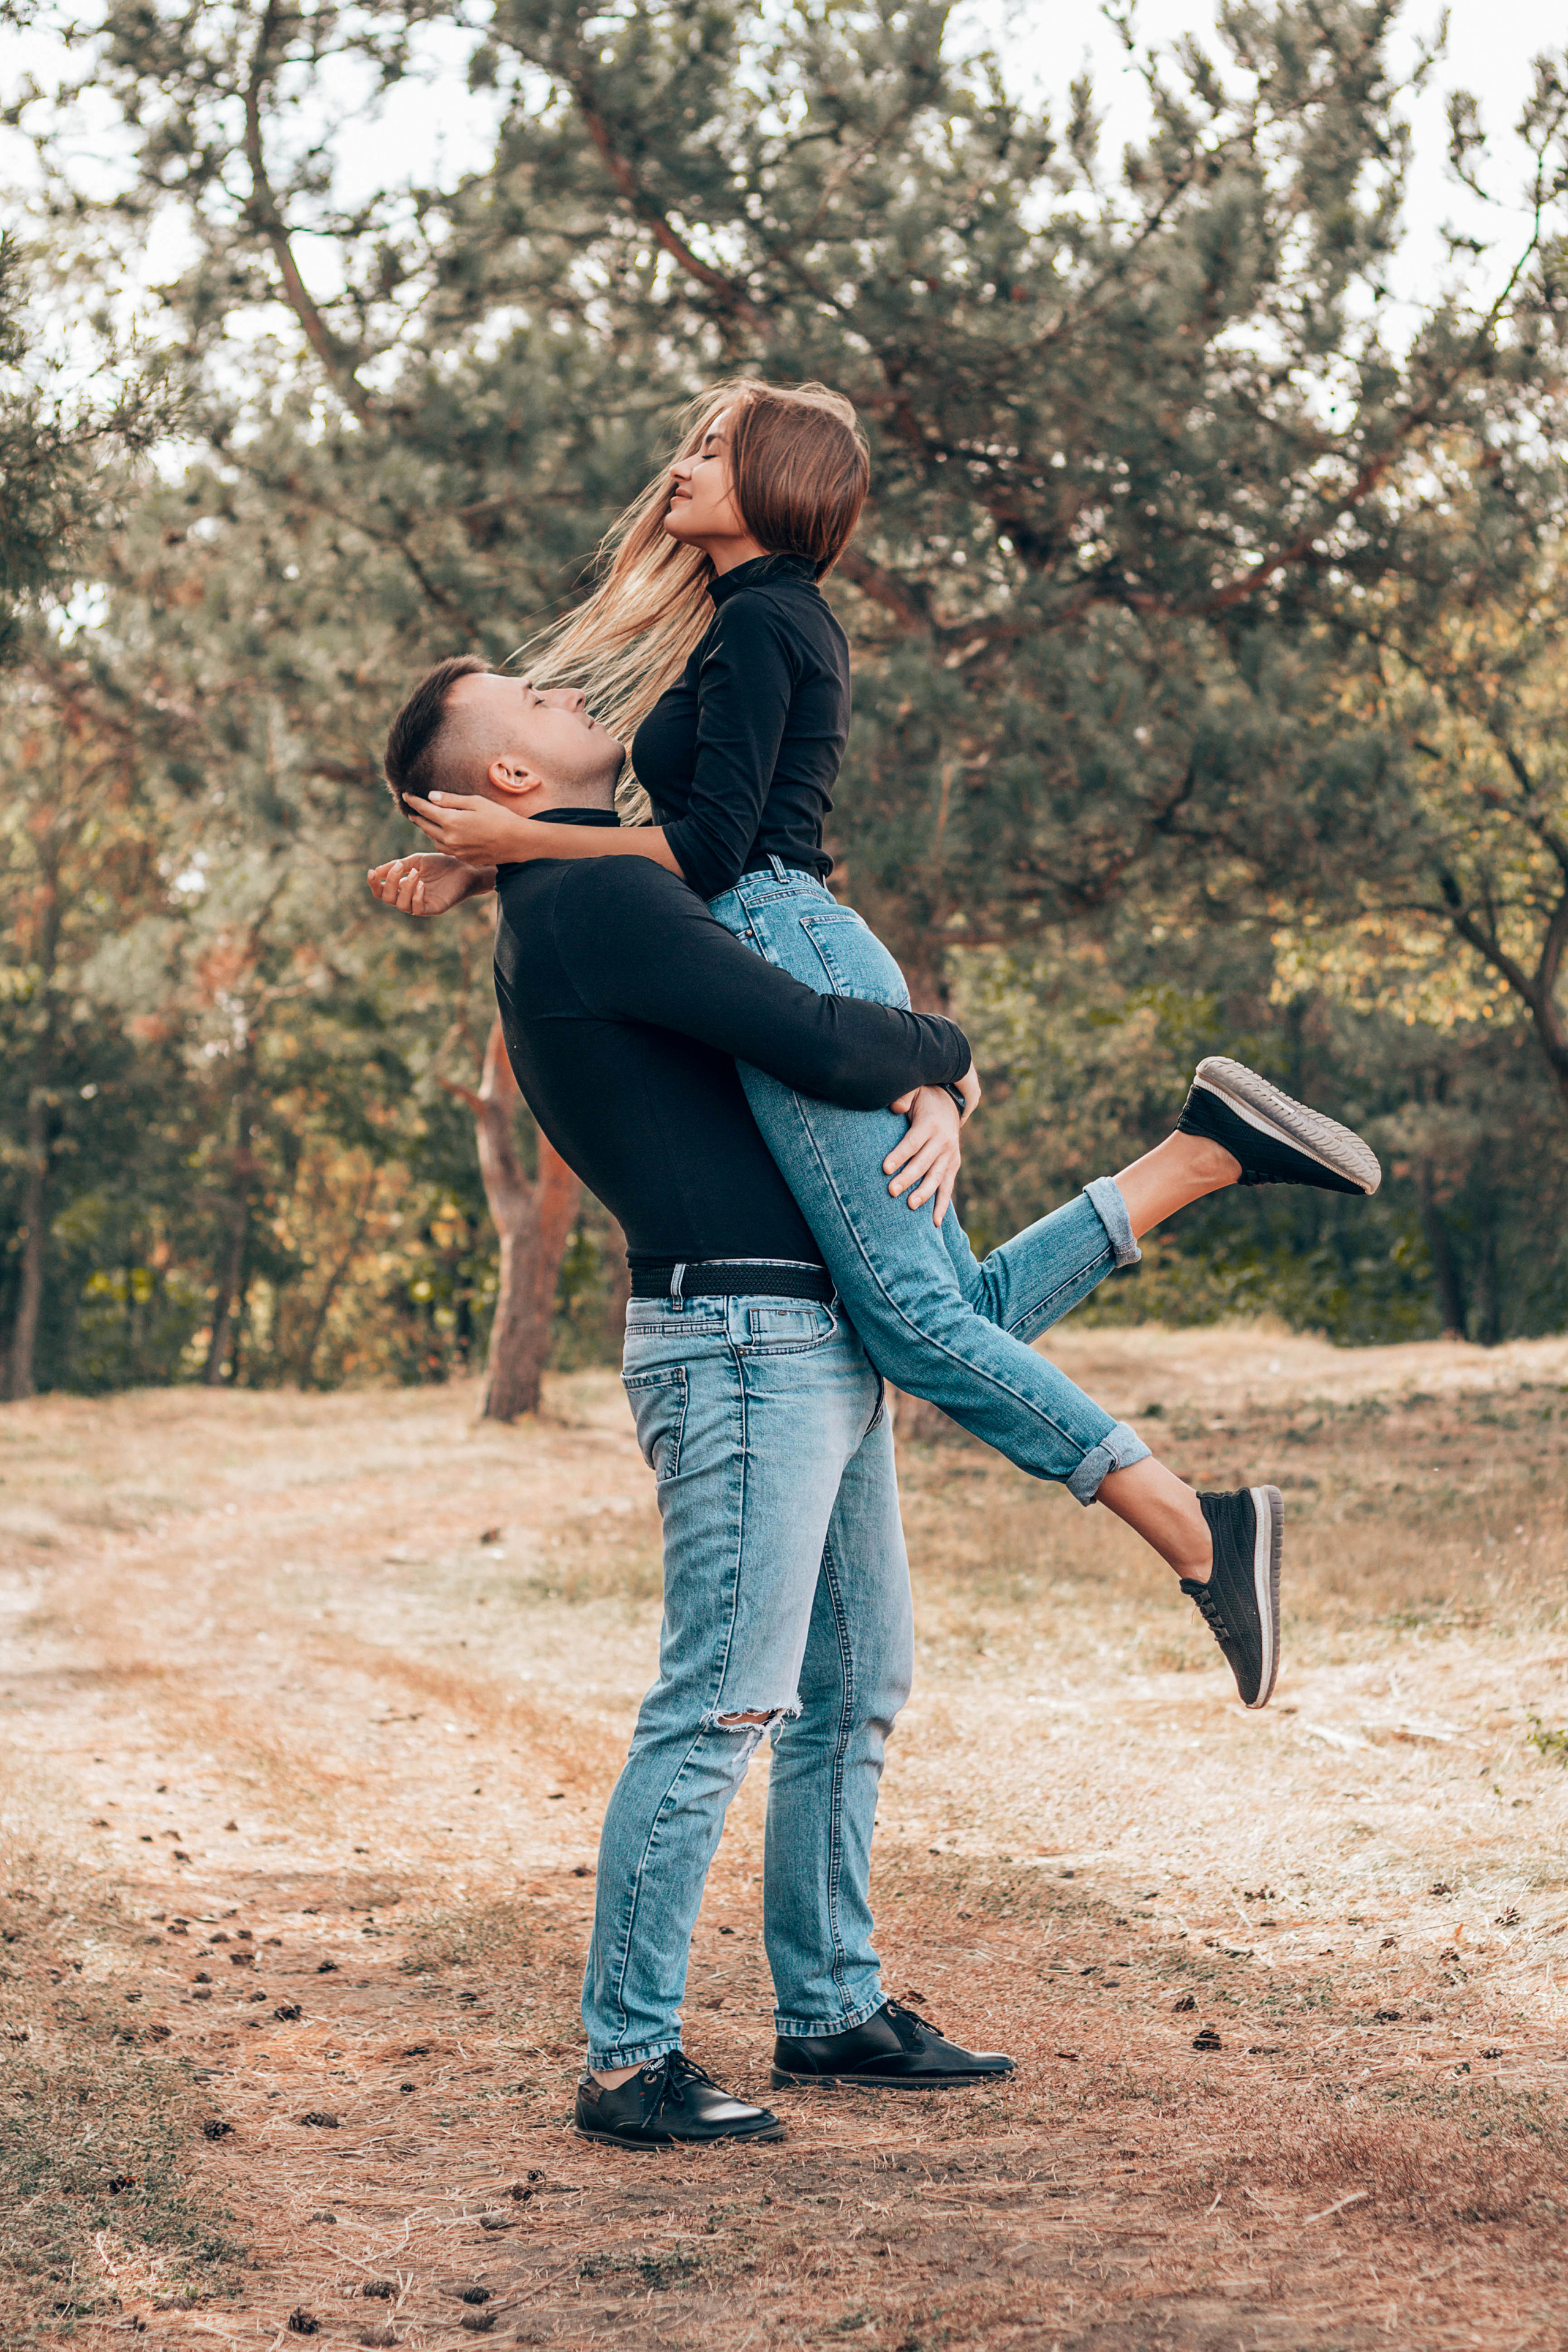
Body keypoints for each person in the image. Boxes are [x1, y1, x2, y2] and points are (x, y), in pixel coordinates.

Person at [366, 690, 1344, 2147]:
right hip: (741, 1341)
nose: (575, 693)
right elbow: (815, 1033)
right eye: (541, 701)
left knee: (853, 1684)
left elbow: (791, 1012)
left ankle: (829, 2005)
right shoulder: (590, 911)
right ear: (511, 769)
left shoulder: (593, 890)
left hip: (794, 1323)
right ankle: (628, 2060)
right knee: (723, 1704)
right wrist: (937, 1059)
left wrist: (915, 1080)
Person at [383, 380, 1382, 1716]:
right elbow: (666, 851)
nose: (677, 467)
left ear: (774, 482)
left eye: (710, 449)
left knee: (912, 1323)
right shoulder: (748, 621)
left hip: (792, 947)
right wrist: (500, 868)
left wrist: (522, 844)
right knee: (918, 1311)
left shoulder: (764, 626)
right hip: (790, 940)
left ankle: (1203, 1533)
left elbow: (709, 853)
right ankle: (1201, 1156)